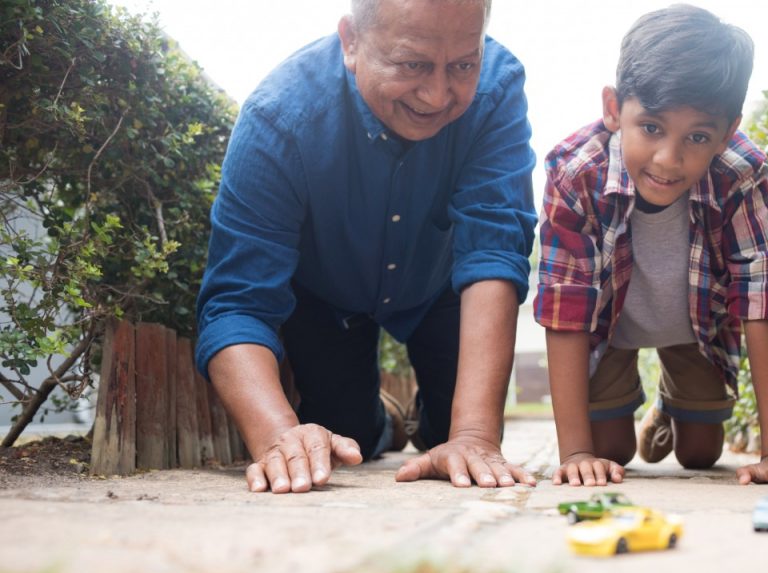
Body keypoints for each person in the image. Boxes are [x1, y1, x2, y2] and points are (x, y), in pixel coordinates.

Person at [196, 0, 538, 493]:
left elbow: (495, 248)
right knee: (350, 436)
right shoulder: (278, 118)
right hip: (328, 295)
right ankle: (391, 421)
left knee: (456, 442)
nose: (438, 93)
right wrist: (277, 436)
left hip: (443, 285)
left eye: (463, 65)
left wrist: (474, 435)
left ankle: (434, 424)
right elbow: (236, 301)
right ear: (351, 42)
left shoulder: (498, 87)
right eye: (412, 64)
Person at [533, 4, 768, 488]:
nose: (668, 159)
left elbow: (760, 291)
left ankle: (668, 406)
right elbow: (565, 301)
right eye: (652, 128)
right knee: (609, 452)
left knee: (701, 454)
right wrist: (575, 452)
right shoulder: (575, 172)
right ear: (614, 109)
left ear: (726, 134)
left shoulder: (741, 172)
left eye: (697, 137)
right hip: (608, 327)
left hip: (695, 323)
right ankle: (622, 414)